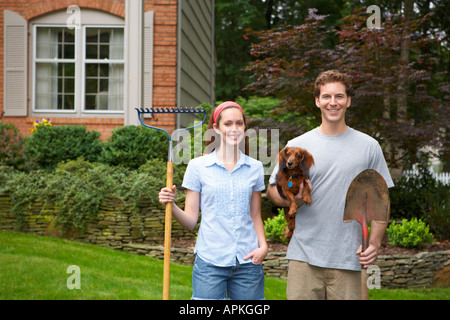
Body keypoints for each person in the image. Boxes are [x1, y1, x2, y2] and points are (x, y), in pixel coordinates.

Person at [267, 70, 394, 300]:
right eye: (326, 96)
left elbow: (380, 201)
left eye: (339, 96)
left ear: (348, 100)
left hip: (351, 257)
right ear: (317, 101)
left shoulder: (369, 146)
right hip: (304, 257)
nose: (332, 102)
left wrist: (374, 243)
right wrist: (290, 199)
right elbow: (271, 192)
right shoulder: (297, 145)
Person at [159, 101, 268, 300]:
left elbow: (255, 215)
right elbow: (191, 221)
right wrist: (171, 204)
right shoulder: (198, 167)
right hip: (210, 261)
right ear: (216, 128)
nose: (234, 129)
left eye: (239, 123)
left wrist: (263, 246)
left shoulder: (255, 167)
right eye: (228, 124)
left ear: (245, 127)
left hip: (248, 261)